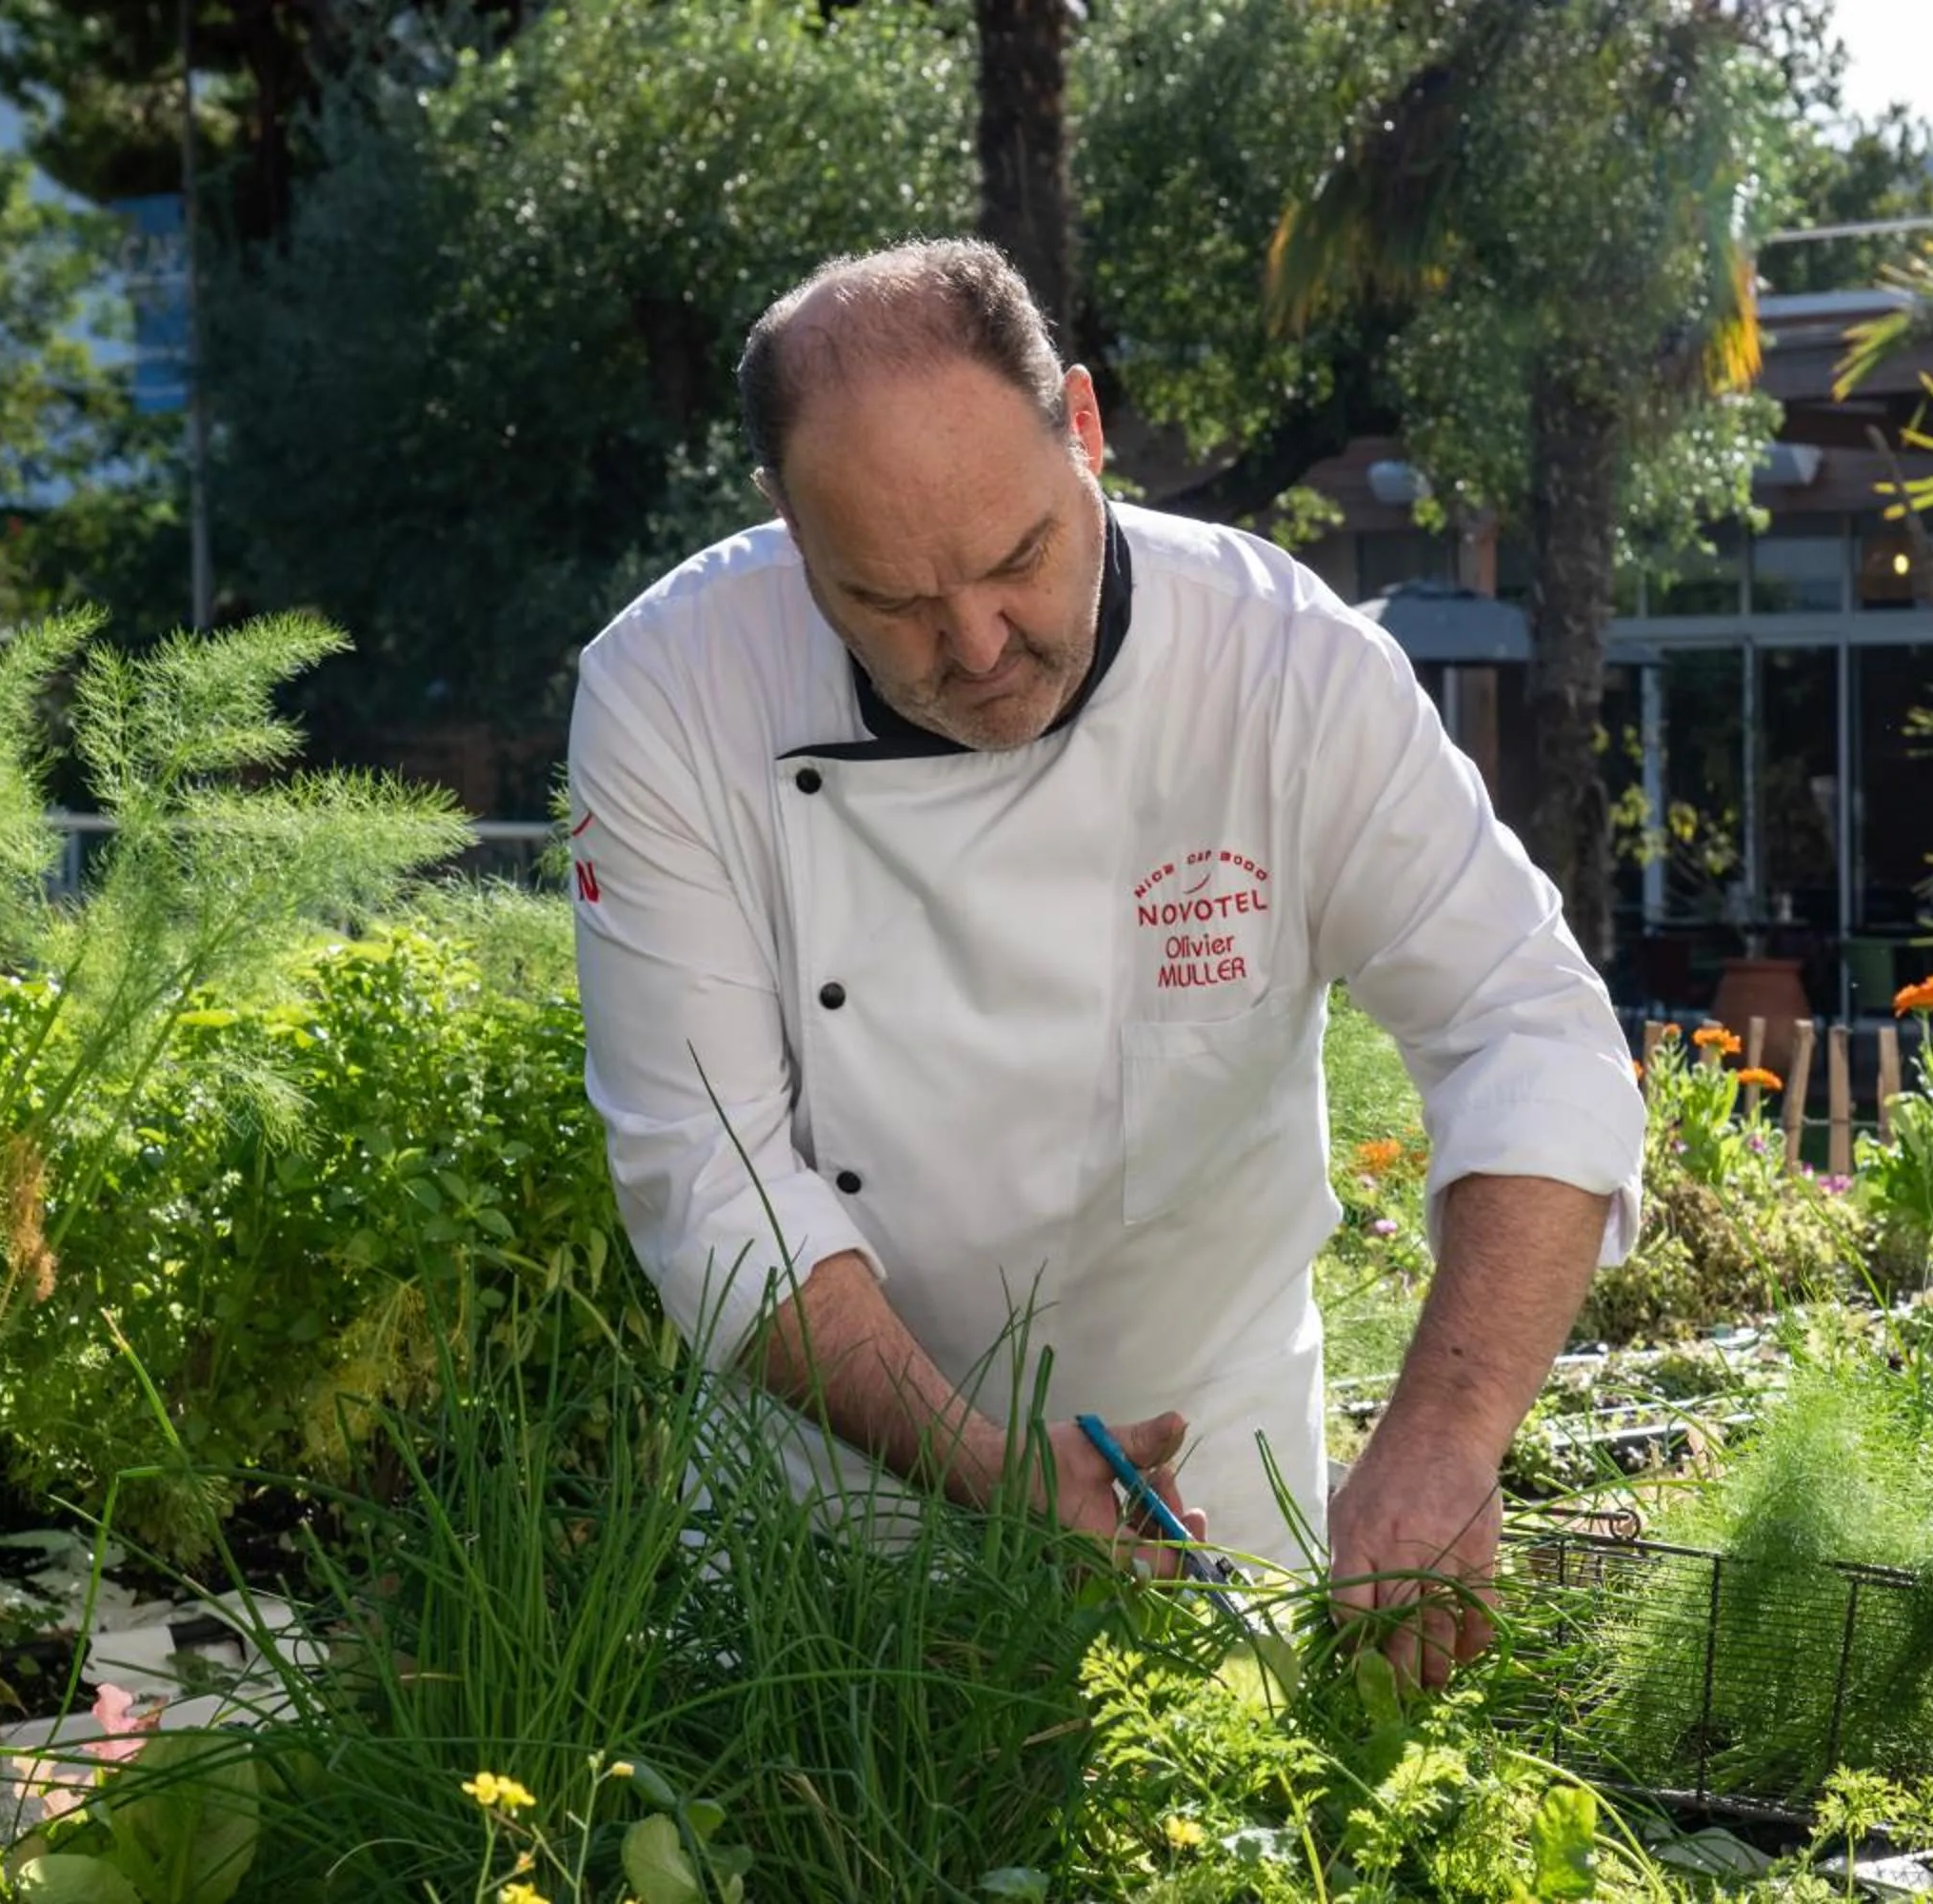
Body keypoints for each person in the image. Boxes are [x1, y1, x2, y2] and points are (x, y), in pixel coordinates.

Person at [567, 237, 1643, 1686]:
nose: (979, 641)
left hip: (1214, 1494)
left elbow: (1529, 1032)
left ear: (1083, 428)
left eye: (1019, 558)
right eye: (889, 600)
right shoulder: (668, 694)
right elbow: (707, 1177)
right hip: (822, 1530)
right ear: (788, 525)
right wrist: (991, 1470)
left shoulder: (1283, 668)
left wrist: (1445, 1442)